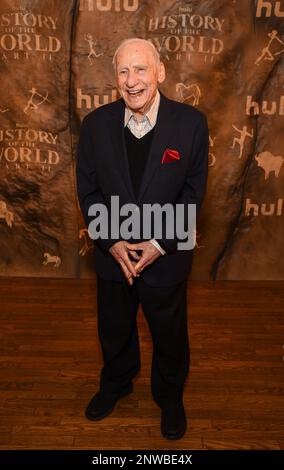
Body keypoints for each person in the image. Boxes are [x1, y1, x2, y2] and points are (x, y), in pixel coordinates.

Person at [76, 38, 209, 440]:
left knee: (169, 332)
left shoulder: (190, 124)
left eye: (141, 69)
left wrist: (158, 245)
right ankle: (116, 382)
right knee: (114, 328)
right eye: (123, 71)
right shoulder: (95, 125)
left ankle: (169, 396)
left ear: (160, 72)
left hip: (165, 257)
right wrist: (111, 241)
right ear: (114, 77)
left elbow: (193, 193)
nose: (132, 81)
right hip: (112, 253)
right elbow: (88, 191)